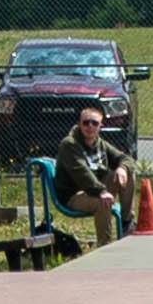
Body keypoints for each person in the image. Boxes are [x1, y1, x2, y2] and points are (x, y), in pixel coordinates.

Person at [51, 104, 138, 247]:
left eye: (94, 123)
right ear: (79, 124)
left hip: (95, 190)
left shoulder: (101, 144)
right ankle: (105, 246)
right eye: (85, 123)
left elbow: (126, 159)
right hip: (73, 196)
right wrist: (102, 192)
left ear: (100, 127)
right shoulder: (69, 144)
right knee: (102, 203)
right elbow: (81, 172)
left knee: (128, 171)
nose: (89, 126)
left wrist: (121, 168)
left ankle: (127, 223)